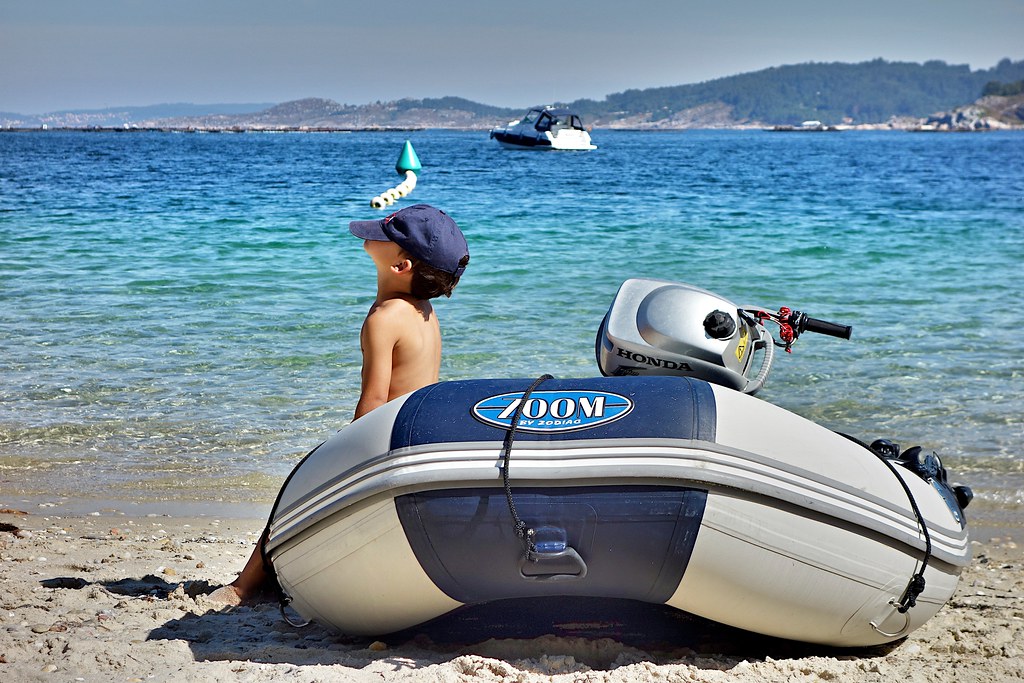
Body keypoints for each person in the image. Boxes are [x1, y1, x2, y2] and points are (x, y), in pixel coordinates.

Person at [207, 204, 469, 605]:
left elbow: (373, 404)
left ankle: (243, 587)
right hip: (415, 436)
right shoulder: (423, 311)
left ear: (401, 264)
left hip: (385, 442)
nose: (375, 235)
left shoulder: (383, 318)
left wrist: (340, 456)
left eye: (390, 234)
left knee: (294, 490)